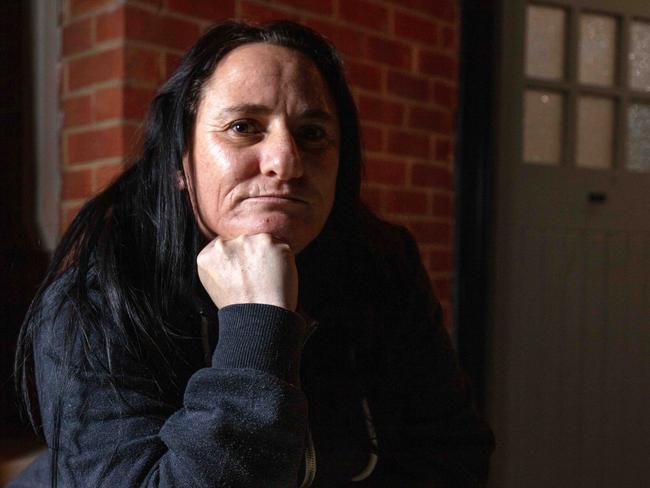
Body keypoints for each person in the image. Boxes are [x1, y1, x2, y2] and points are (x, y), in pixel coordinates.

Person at [11, 20, 494, 487]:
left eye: (312, 134)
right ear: (180, 160)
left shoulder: (383, 265)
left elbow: (454, 452)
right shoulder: (98, 299)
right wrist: (256, 326)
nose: (285, 162)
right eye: (243, 126)